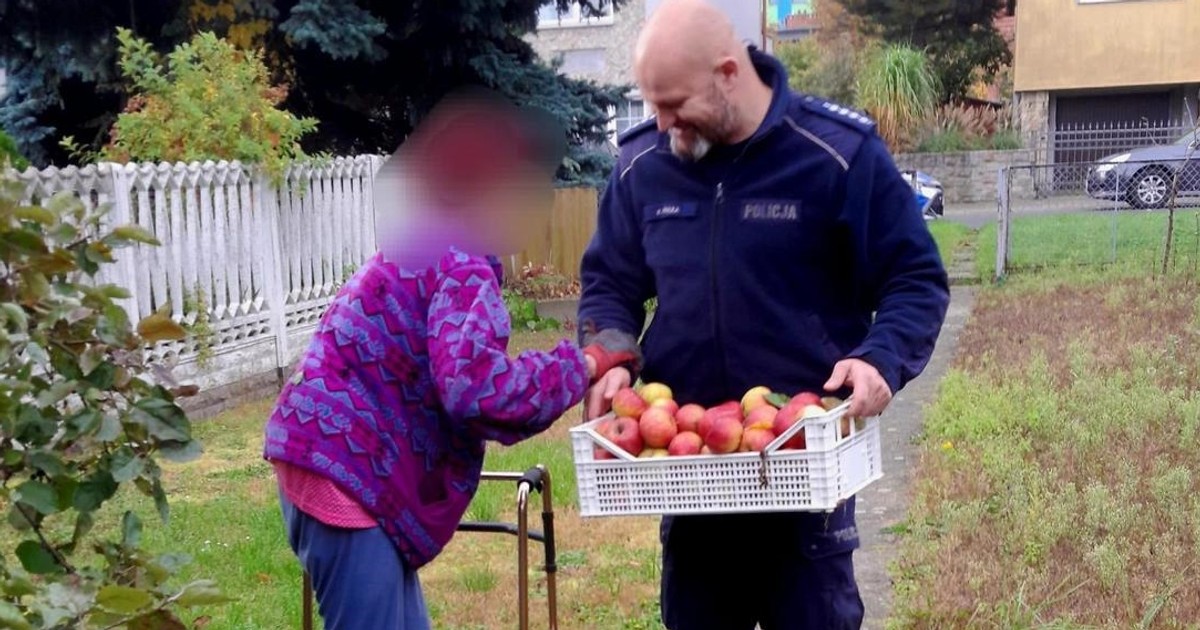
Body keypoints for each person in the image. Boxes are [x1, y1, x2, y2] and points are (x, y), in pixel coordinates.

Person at [575, 1, 951, 628]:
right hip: (690, 471)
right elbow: (610, 281)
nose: (662, 123)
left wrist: (881, 359)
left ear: (728, 73)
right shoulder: (644, 165)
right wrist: (611, 352)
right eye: (651, 105)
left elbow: (915, 278)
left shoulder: (836, 153)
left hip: (805, 472)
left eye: (673, 104)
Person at [262, 87, 641, 630]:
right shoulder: (459, 261)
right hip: (346, 478)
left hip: (328, 466)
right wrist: (582, 366)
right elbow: (477, 390)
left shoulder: (423, 245)